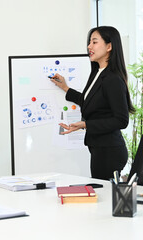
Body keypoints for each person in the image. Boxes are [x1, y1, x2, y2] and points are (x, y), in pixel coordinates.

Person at [51, 26, 135, 180]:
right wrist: (65, 87)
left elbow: (121, 120)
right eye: (89, 42)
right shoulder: (97, 73)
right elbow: (88, 101)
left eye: (94, 42)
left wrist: (86, 124)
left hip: (109, 150)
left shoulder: (113, 79)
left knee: (104, 197)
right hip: (98, 147)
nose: (89, 46)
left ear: (109, 46)